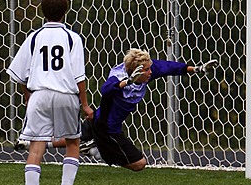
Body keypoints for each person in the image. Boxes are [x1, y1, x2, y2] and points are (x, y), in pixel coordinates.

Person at [18, 48, 217, 171]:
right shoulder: (118, 76)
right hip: (107, 128)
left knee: (74, 139)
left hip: (97, 118)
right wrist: (127, 82)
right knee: (140, 165)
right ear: (134, 70)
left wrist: (196, 70)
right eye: (146, 70)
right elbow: (106, 90)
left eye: (149, 68)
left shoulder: (149, 70)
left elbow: (172, 68)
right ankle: (99, 152)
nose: (151, 72)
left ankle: (31, 144)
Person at [7, 0, 93, 185]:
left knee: (36, 147)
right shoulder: (73, 38)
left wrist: (28, 94)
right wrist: (84, 104)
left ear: (43, 11)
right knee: (73, 143)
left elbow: (18, 74)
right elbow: (79, 77)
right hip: (65, 95)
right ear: (65, 11)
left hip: (40, 95)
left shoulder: (34, 37)